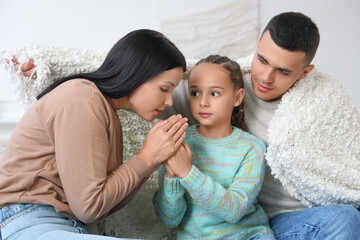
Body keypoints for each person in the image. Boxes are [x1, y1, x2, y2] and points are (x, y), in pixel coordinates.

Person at [3, 12, 360, 239]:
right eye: (262, 60)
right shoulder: (88, 99)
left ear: (236, 97)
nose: (265, 76)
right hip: (33, 217)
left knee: (346, 220)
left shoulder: (302, 114)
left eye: (283, 71)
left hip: (263, 225)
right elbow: (121, 62)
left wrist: (178, 169)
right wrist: (166, 169)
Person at [0, 29, 190, 239]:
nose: (170, 101)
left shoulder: (104, 111)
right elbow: (89, 207)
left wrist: (153, 160)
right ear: (136, 73)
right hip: (31, 220)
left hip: (72, 227)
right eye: (165, 89)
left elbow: (103, 206)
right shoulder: (83, 99)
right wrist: (146, 158)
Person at [153, 54, 275, 239]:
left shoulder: (252, 148)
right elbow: (170, 220)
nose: (203, 102)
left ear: (237, 97)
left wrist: (187, 173)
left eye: (214, 93)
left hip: (248, 235)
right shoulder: (178, 141)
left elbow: (234, 210)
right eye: (195, 93)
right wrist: (172, 177)